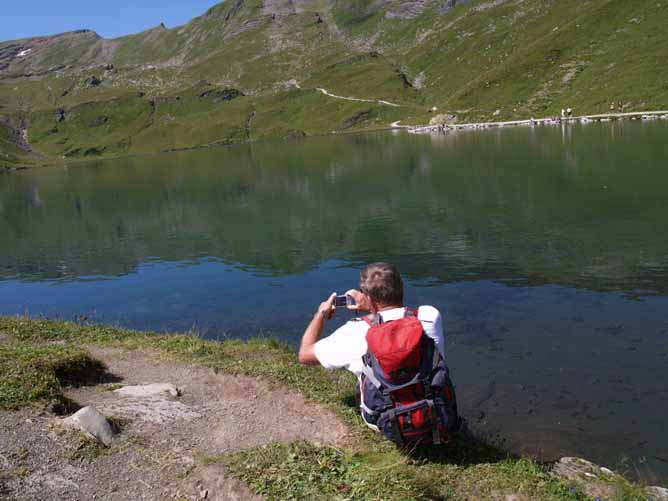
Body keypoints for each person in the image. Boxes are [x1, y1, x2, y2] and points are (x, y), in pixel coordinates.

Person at [298, 262, 446, 430]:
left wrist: (321, 314)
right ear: (401, 286)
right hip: (435, 411)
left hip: (388, 421)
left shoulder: (354, 331)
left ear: (368, 298)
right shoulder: (429, 315)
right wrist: (372, 306)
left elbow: (304, 354)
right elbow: (394, 317)